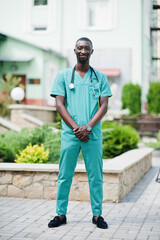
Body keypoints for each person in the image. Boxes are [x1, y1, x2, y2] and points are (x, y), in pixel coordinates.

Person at [48, 37, 112, 229]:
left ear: (92, 52)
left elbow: (104, 105)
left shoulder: (100, 77)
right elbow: (59, 104)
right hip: (70, 134)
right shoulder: (63, 76)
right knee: (65, 174)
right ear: (74, 51)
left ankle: (97, 215)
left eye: (87, 48)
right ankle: (60, 214)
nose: (83, 51)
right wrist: (76, 127)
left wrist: (88, 127)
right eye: (80, 48)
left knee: (95, 175)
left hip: (92, 135)